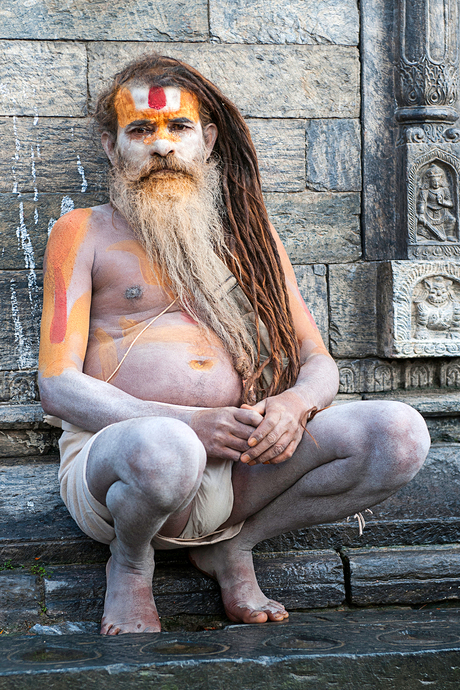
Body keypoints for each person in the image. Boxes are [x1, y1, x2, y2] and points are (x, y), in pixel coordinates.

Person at [38, 54, 431, 635]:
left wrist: (295, 407)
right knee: (167, 447)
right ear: (110, 144)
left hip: (241, 468)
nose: (162, 146)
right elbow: (57, 385)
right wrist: (189, 421)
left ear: (209, 138)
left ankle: (234, 547)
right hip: (127, 462)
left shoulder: (250, 235)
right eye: (141, 130)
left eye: (179, 128)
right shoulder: (82, 232)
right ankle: (130, 563)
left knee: (400, 434)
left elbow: (317, 361)